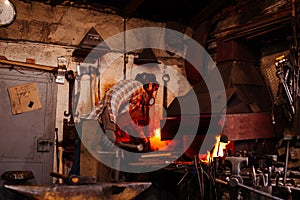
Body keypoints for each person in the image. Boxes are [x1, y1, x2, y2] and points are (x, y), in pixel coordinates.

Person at [86, 72, 159, 152]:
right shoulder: (137, 85)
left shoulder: (135, 102)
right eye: (154, 90)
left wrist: (142, 139)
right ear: (149, 86)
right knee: (86, 162)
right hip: (93, 126)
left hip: (100, 129)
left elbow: (129, 122)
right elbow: (112, 97)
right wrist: (110, 129)